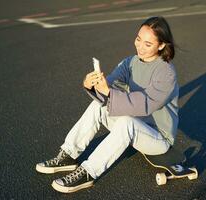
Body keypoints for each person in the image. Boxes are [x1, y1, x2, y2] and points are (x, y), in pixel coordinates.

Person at [36, 16, 179, 193]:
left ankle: (88, 172)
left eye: (148, 44)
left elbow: (146, 104)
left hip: (158, 137)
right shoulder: (131, 62)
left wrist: (109, 93)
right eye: (138, 39)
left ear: (161, 45)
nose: (140, 47)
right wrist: (93, 85)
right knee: (99, 106)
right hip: (134, 126)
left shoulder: (166, 72)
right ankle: (68, 155)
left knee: (127, 122)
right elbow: (110, 84)